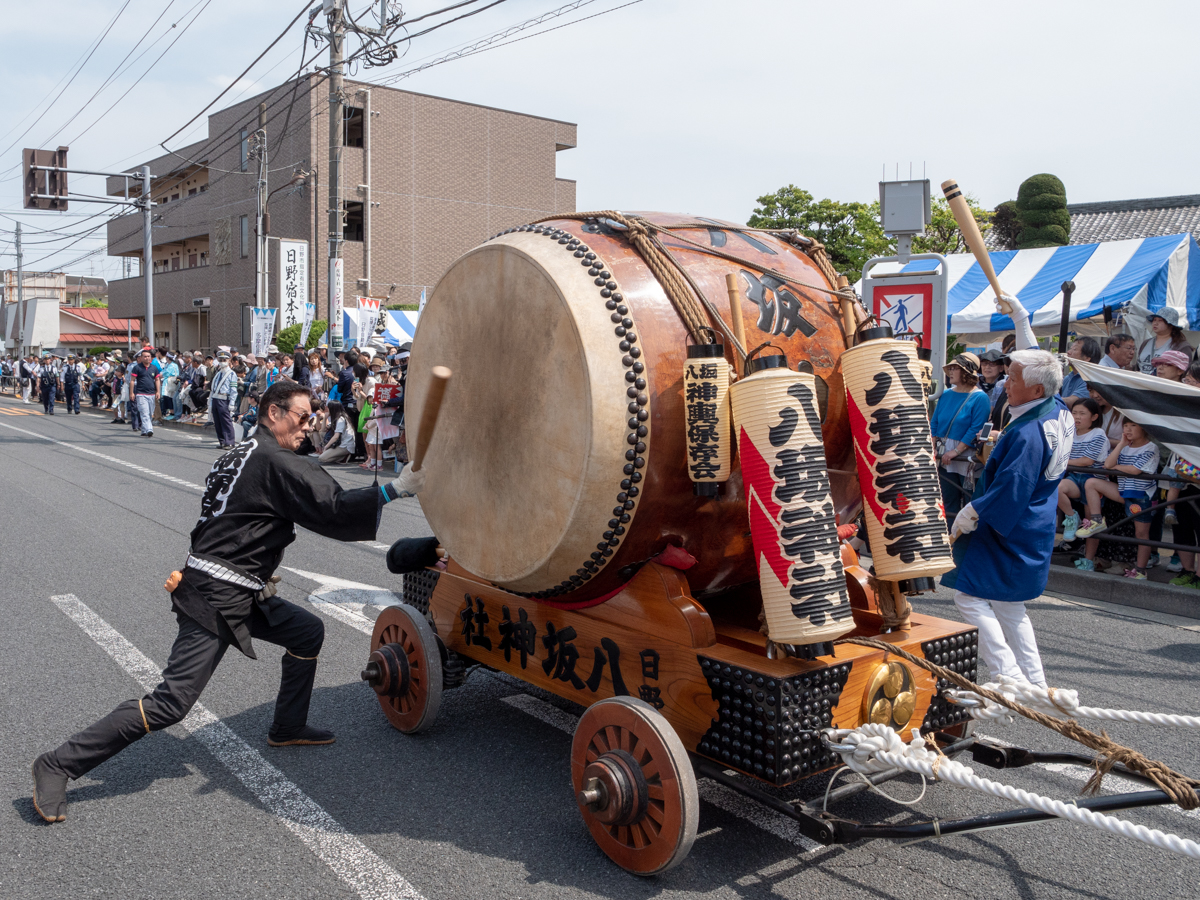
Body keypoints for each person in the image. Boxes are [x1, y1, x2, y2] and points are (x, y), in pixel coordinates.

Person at [30, 381, 430, 824]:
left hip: (232, 582)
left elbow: (229, 522)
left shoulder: (239, 453)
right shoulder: (274, 459)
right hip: (216, 593)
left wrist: (251, 571)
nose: (308, 426)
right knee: (171, 703)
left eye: (312, 418)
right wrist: (395, 489)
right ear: (274, 413)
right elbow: (332, 507)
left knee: (306, 631)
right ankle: (58, 763)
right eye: (301, 417)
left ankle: (287, 727)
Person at [948, 348, 1072, 688]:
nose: (1006, 383)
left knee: (969, 595)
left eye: (1013, 378)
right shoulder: (1058, 410)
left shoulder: (1028, 433)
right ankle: (1034, 683)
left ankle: (1008, 674)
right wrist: (1019, 319)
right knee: (1010, 606)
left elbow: (1012, 486)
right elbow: (1044, 363)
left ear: (1036, 390)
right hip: (1036, 520)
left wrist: (974, 510)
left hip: (1010, 523)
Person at [1076, 421, 1160, 578]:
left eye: (1133, 426)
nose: (1128, 429)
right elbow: (1108, 464)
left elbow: (1135, 470)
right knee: (1091, 483)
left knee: (1141, 534)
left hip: (1141, 496)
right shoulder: (1125, 447)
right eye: (1126, 425)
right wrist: (1121, 444)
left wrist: (1116, 467)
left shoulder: (1151, 447)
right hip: (1123, 492)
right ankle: (1096, 521)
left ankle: (1141, 571)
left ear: (1144, 428)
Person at [929, 352, 991, 521]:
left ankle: (968, 541)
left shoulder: (980, 398)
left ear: (966, 372)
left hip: (966, 456)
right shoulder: (947, 394)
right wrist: (932, 446)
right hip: (943, 453)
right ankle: (949, 538)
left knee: (971, 502)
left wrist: (956, 451)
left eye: (955, 368)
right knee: (948, 501)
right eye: (950, 368)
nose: (950, 372)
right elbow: (934, 422)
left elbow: (976, 428)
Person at [1057, 399, 1109, 541]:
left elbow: (1087, 461)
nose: (1077, 417)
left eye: (1082, 413)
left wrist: (1063, 463)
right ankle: (1072, 517)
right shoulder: (1070, 432)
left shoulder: (1098, 434)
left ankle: (1088, 560)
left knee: (1091, 522)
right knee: (1057, 488)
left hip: (1093, 479)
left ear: (1094, 417)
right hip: (1075, 477)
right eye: (1074, 413)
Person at [1137, 307, 1194, 374]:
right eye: (1154, 320)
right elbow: (1138, 365)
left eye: (1160, 320)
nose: (1155, 323)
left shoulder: (1181, 346)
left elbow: (1185, 371)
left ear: (1170, 324)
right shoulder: (1146, 343)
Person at [1059, 337, 1101, 408]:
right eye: (1070, 348)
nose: (1068, 352)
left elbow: (1071, 402)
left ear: (1087, 358)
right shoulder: (1068, 378)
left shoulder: (1089, 380)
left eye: (1074, 349)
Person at [209, 350, 239, 449]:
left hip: (224, 398)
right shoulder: (218, 373)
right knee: (217, 421)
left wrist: (232, 403)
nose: (222, 361)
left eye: (224, 359)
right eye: (220, 359)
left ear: (229, 360)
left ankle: (230, 442)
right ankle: (222, 441)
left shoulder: (231, 374)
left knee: (226, 421)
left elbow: (233, 390)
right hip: (216, 398)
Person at [128, 347, 160, 437]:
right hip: (141, 394)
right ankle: (149, 429)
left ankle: (144, 430)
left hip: (152, 394)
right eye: (145, 356)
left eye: (148, 356)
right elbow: (132, 380)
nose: (147, 358)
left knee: (149, 414)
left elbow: (157, 380)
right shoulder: (137, 368)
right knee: (144, 412)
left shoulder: (154, 368)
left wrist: (158, 392)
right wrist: (131, 393)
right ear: (141, 358)